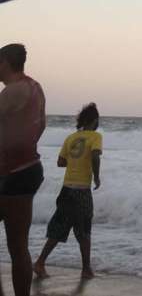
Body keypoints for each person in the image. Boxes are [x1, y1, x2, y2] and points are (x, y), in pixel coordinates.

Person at [33, 102, 102, 281]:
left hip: (66, 190)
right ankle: (86, 269)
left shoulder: (71, 138)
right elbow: (95, 156)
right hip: (82, 191)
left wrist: (75, 162)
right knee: (84, 231)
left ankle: (40, 262)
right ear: (94, 120)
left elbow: (60, 162)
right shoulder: (95, 137)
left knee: (59, 228)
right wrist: (97, 177)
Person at [0, 43, 46, 296]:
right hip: (27, 168)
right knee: (18, 245)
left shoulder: (12, 92)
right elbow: (42, 125)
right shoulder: (35, 88)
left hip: (15, 173)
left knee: (17, 246)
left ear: (5, 61)